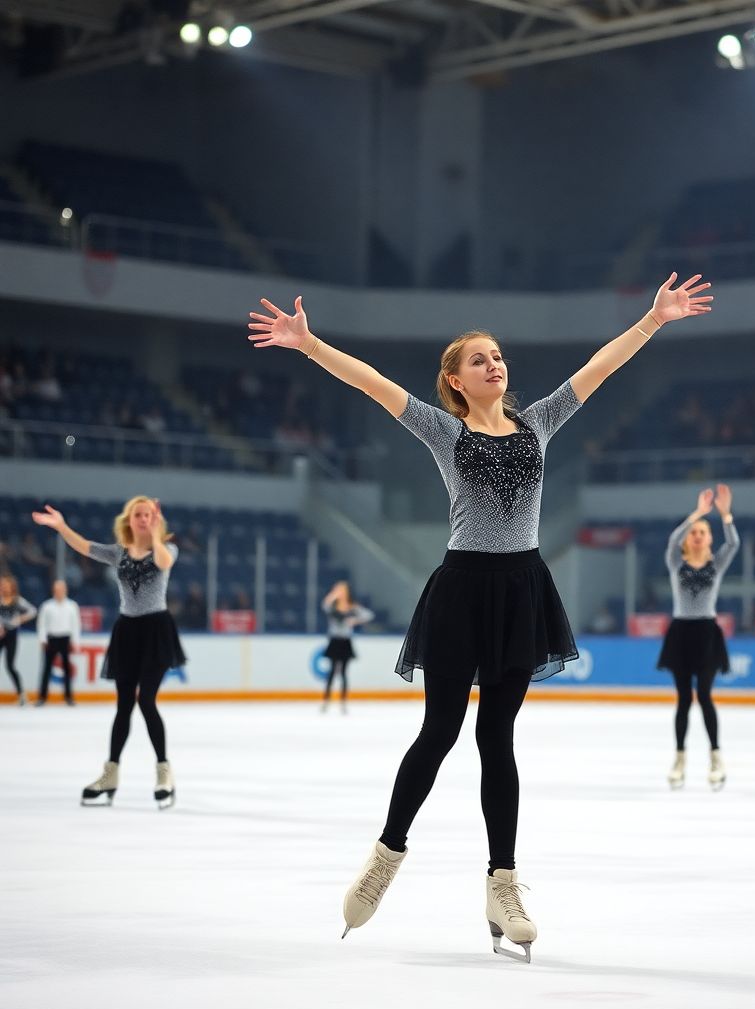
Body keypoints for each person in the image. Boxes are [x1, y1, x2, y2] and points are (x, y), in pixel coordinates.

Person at [248, 271, 713, 962]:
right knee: (439, 730)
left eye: (498, 356)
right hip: (464, 589)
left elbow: (597, 369)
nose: (495, 363)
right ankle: (385, 855)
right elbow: (373, 383)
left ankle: (503, 881)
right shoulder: (443, 431)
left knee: (498, 738)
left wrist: (652, 320)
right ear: (456, 381)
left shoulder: (540, 422)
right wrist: (310, 345)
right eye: (479, 359)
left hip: (522, 589)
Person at [31, 497, 186, 808]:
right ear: (128, 520)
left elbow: (165, 563)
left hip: (156, 630)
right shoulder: (118, 553)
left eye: (147, 514)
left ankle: (164, 772)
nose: (143, 518)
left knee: (147, 700)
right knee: (124, 704)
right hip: (127, 631)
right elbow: (85, 546)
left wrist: (155, 533)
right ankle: (110, 774)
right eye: (137, 515)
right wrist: (61, 526)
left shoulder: (166, 548)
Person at [658, 485, 739, 791]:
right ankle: (679, 758)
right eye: (694, 532)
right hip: (681, 634)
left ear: (709, 540)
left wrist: (725, 515)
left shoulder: (716, 565)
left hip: (706, 634)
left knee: (704, 696)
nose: (696, 535)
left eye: (703, 532)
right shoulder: (676, 563)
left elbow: (733, 544)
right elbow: (671, 540)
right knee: (682, 700)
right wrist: (697, 514)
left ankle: (716, 757)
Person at [321, 581, 374, 714]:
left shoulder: (352, 607)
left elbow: (368, 615)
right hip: (334, 640)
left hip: (345, 641)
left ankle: (343, 702)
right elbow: (325, 606)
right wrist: (333, 595)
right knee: (332, 672)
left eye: (342, 590)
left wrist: (355, 621)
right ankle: (326, 700)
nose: (341, 592)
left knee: (344, 672)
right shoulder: (333, 606)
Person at [36, 579, 81, 706]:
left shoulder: (72, 606)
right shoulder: (47, 606)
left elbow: (75, 625)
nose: (59, 591)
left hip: (65, 639)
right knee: (46, 668)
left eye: (61, 589)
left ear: (65, 590)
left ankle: (68, 697)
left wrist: (75, 642)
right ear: (53, 590)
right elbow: (42, 625)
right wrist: (42, 639)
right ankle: (42, 697)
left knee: (67, 669)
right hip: (51, 639)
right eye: (57, 589)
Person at [0, 574, 36, 706]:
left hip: (11, 635)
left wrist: (20, 619)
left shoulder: (17, 601)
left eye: (6, 586)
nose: (4, 588)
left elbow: (32, 611)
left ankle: (21, 694)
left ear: (12, 587)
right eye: (2, 585)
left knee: (10, 665)